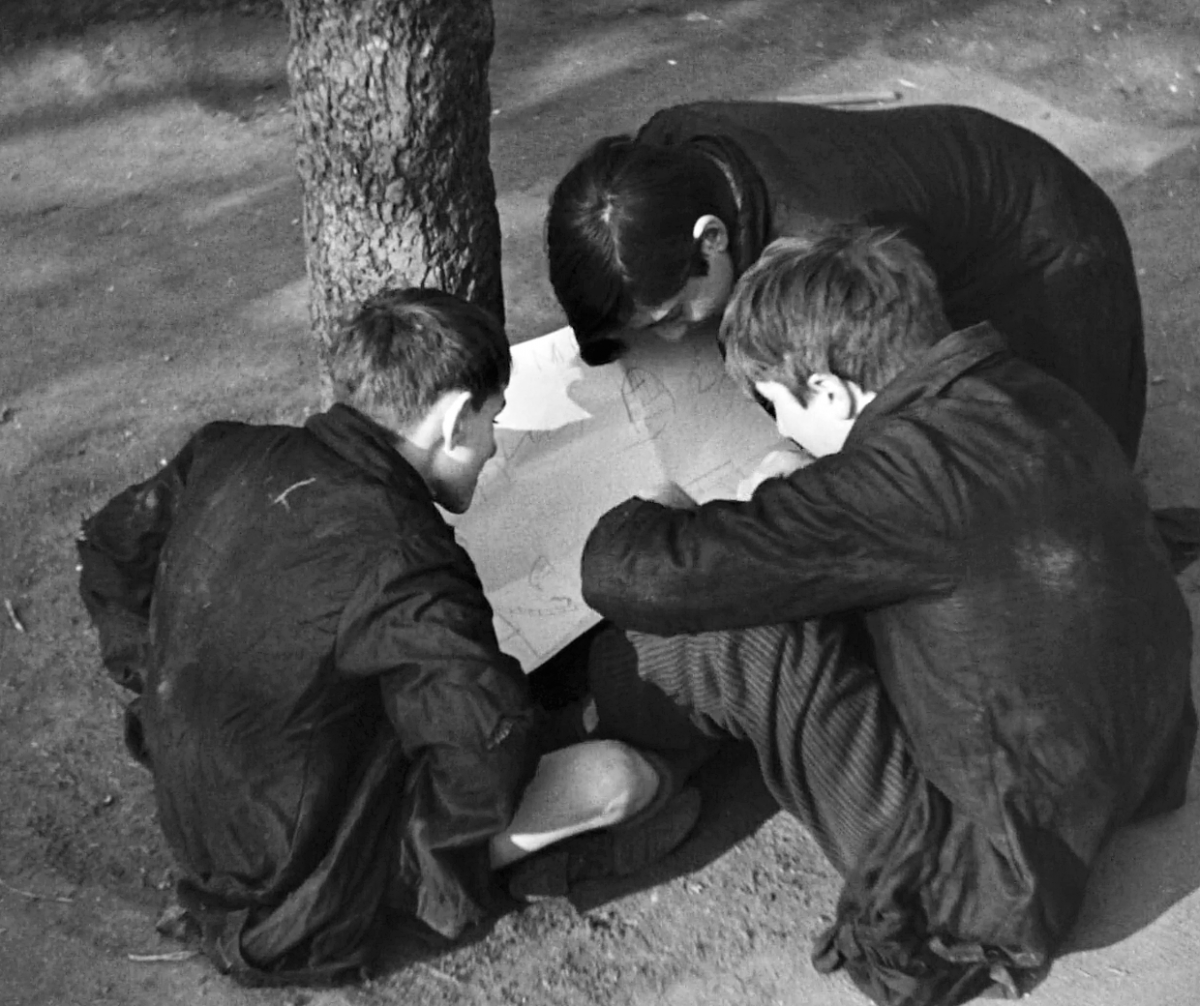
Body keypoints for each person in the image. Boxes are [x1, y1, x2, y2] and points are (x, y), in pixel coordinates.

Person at [578, 228, 1196, 1006]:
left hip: (984, 881)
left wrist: (670, 509)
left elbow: (629, 573)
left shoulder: (893, 483)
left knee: (720, 631)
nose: (782, 432)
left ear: (831, 392)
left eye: (778, 408)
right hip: (1135, 757)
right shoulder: (1027, 390)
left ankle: (609, 747)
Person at [76, 288, 700, 984]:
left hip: (207, 827)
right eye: (493, 421)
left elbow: (107, 549)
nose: (494, 446)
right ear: (457, 418)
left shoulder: (226, 450)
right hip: (298, 900)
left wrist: (160, 686)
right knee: (624, 778)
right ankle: (471, 879)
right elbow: (486, 746)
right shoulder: (401, 551)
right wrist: (435, 866)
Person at [546, 100, 1146, 461]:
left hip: (1043, 243)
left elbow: (898, 403)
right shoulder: (661, 158)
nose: (676, 341)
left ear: (712, 238)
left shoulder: (829, 246)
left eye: (674, 315)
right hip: (938, 178)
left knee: (1059, 452)